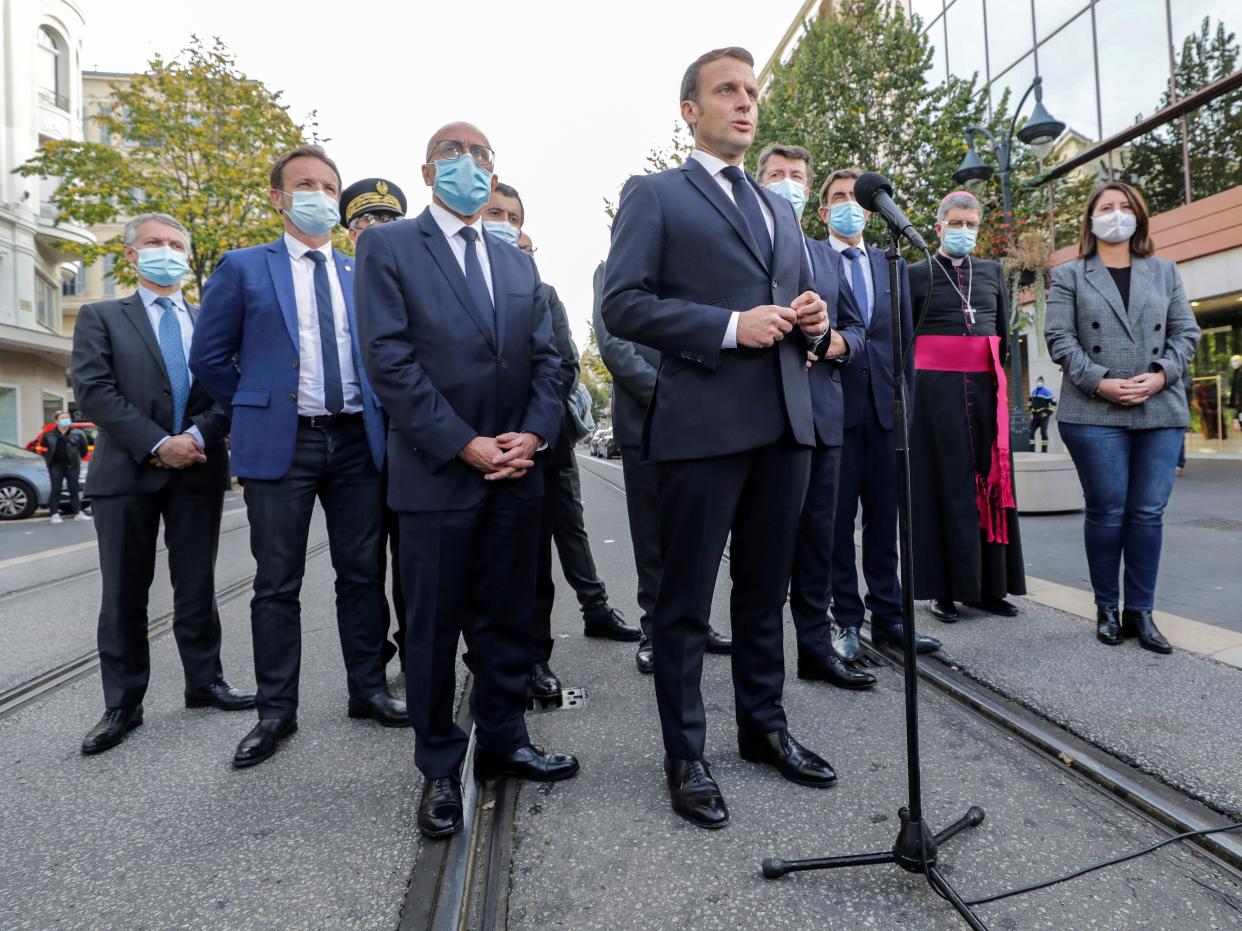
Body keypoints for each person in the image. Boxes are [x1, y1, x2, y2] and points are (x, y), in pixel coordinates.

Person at [603, 47, 835, 830]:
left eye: (751, 91)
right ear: (690, 111)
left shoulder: (780, 209)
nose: (745, 102)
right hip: (702, 425)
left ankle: (764, 729)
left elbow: (796, 299)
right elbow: (623, 306)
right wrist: (728, 327)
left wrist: (814, 317)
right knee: (685, 603)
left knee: (764, 592)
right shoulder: (655, 195)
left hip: (784, 422)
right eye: (726, 91)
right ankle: (686, 751)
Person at [354, 122, 580, 840]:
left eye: (482, 154)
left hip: (517, 476)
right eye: (454, 153)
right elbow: (388, 362)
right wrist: (464, 444)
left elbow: (550, 360)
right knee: (430, 630)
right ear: (427, 171)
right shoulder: (388, 248)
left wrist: (535, 435)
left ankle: (506, 740)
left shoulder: (516, 263)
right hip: (436, 476)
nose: (470, 164)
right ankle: (440, 768)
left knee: (508, 621)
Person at [191, 145, 404, 769]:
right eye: (305, 184)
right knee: (276, 582)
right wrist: (256, 405)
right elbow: (208, 358)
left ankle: (367, 689)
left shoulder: (356, 271)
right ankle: (275, 710)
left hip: (354, 443)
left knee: (361, 574)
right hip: (285, 444)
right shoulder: (241, 268)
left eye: (328, 186)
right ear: (279, 197)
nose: (319, 195)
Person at [71, 213, 255, 755]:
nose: (167, 252)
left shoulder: (209, 319)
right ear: (131, 255)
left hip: (197, 468)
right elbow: (95, 392)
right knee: (124, 591)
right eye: (155, 243)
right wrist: (158, 442)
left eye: (176, 244)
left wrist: (197, 435)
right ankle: (123, 704)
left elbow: (231, 389)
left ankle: (205, 682)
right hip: (127, 472)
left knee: (197, 585)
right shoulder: (101, 315)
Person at [485, 186, 641, 703]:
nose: (504, 226)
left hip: (540, 444)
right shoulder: (443, 280)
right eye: (494, 214)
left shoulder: (543, 293)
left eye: (513, 218)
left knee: (545, 549)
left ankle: (536, 656)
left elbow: (562, 364)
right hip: (467, 446)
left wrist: (532, 432)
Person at [1044, 181, 1200, 653]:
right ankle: (1107, 608)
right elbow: (1059, 339)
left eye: (1125, 207)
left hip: (1160, 405)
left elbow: (1185, 333)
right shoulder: (1069, 274)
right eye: (1106, 208)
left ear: (1139, 216)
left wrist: (1160, 375)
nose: (1116, 215)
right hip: (1093, 408)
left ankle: (1142, 612)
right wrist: (1100, 381)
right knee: (1108, 510)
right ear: (1090, 220)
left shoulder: (1165, 271)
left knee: (1148, 513)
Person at [754, 145, 876, 691]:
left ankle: (815, 648)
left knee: (818, 544)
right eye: (777, 175)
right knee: (762, 554)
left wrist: (826, 342)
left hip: (823, 417)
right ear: (758, 183)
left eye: (796, 176)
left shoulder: (828, 258)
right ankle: (760, 672)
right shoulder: (748, 249)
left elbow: (856, 331)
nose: (788, 183)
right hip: (761, 419)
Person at [815, 168, 942, 661]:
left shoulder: (893, 264)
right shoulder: (814, 259)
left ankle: (889, 617)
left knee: (885, 524)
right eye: (838, 197)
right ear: (825, 211)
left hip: (887, 414)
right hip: (836, 411)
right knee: (838, 524)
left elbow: (905, 344)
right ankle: (845, 619)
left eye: (855, 197)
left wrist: (905, 403)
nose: (849, 205)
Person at [593, 261, 733, 674]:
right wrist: (669, 392)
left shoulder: (688, 257)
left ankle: (695, 624)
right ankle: (655, 630)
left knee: (694, 531)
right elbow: (613, 342)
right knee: (652, 532)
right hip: (646, 416)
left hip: (697, 419)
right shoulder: (611, 268)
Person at [908, 191, 1026, 623]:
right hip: (935, 396)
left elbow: (1004, 333)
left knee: (992, 484)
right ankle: (944, 589)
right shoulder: (914, 274)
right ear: (939, 227)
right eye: (956, 223)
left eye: (971, 224)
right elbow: (905, 340)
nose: (964, 231)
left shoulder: (993, 272)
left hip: (986, 390)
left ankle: (990, 587)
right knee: (946, 484)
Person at [342, 177, 408, 669]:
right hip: (355, 447)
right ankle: (368, 673)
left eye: (389, 221)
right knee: (362, 568)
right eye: (367, 221)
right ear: (349, 231)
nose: (378, 229)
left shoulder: (414, 276)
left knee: (416, 564)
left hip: (413, 439)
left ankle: (419, 654)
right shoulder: (336, 278)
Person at [41, 411, 91, 524]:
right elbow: (44, 448)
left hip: (72, 465)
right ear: (56, 420)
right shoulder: (49, 435)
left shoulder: (77, 433)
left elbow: (84, 449)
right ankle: (54, 513)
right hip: (56, 465)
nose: (65, 420)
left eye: (67, 417)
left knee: (74, 489)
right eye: (62, 418)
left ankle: (78, 512)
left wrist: (77, 459)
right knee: (56, 489)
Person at [1028, 376, 1057, 452]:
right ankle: (1032, 450)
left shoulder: (1047, 392)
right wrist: (1031, 412)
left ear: (1043, 383)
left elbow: (1054, 403)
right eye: (1038, 381)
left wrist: (1047, 413)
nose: (1038, 382)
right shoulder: (1033, 392)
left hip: (1043, 416)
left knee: (1043, 432)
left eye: (1040, 381)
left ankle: (1044, 451)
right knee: (1031, 432)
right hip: (1035, 416)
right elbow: (1030, 402)